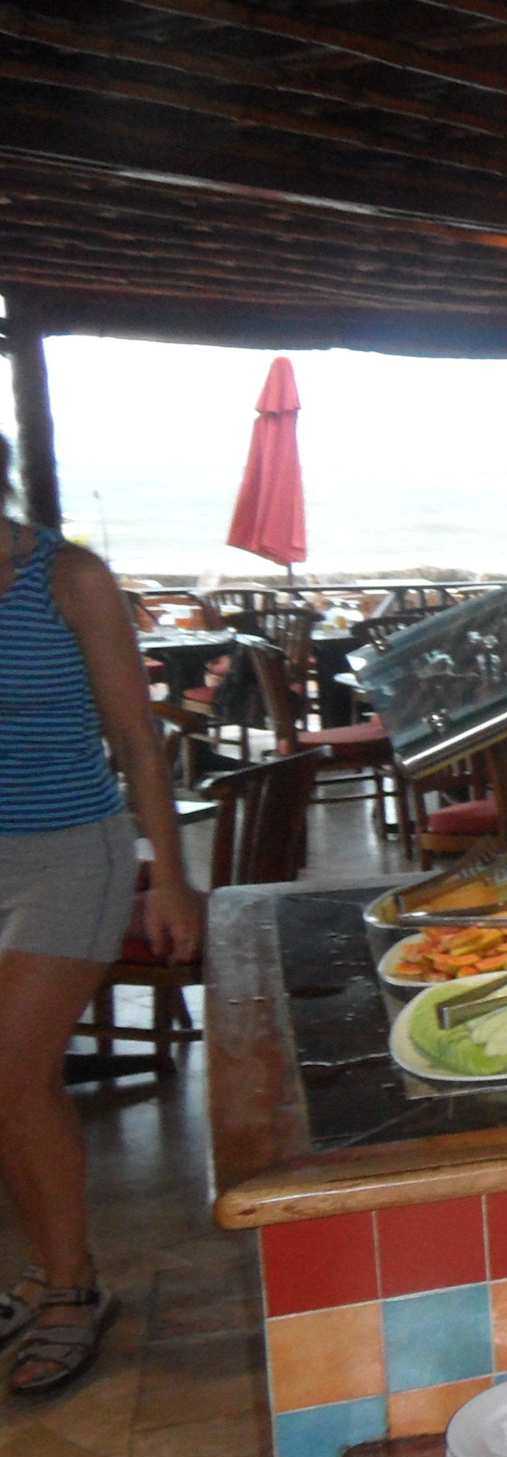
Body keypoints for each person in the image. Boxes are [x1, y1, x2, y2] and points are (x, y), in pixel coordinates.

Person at [0, 434, 202, 1395]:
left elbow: (137, 737)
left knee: (12, 1071)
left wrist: (170, 878)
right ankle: (42, 1269)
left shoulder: (68, 580)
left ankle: (74, 1286)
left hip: (69, 851)